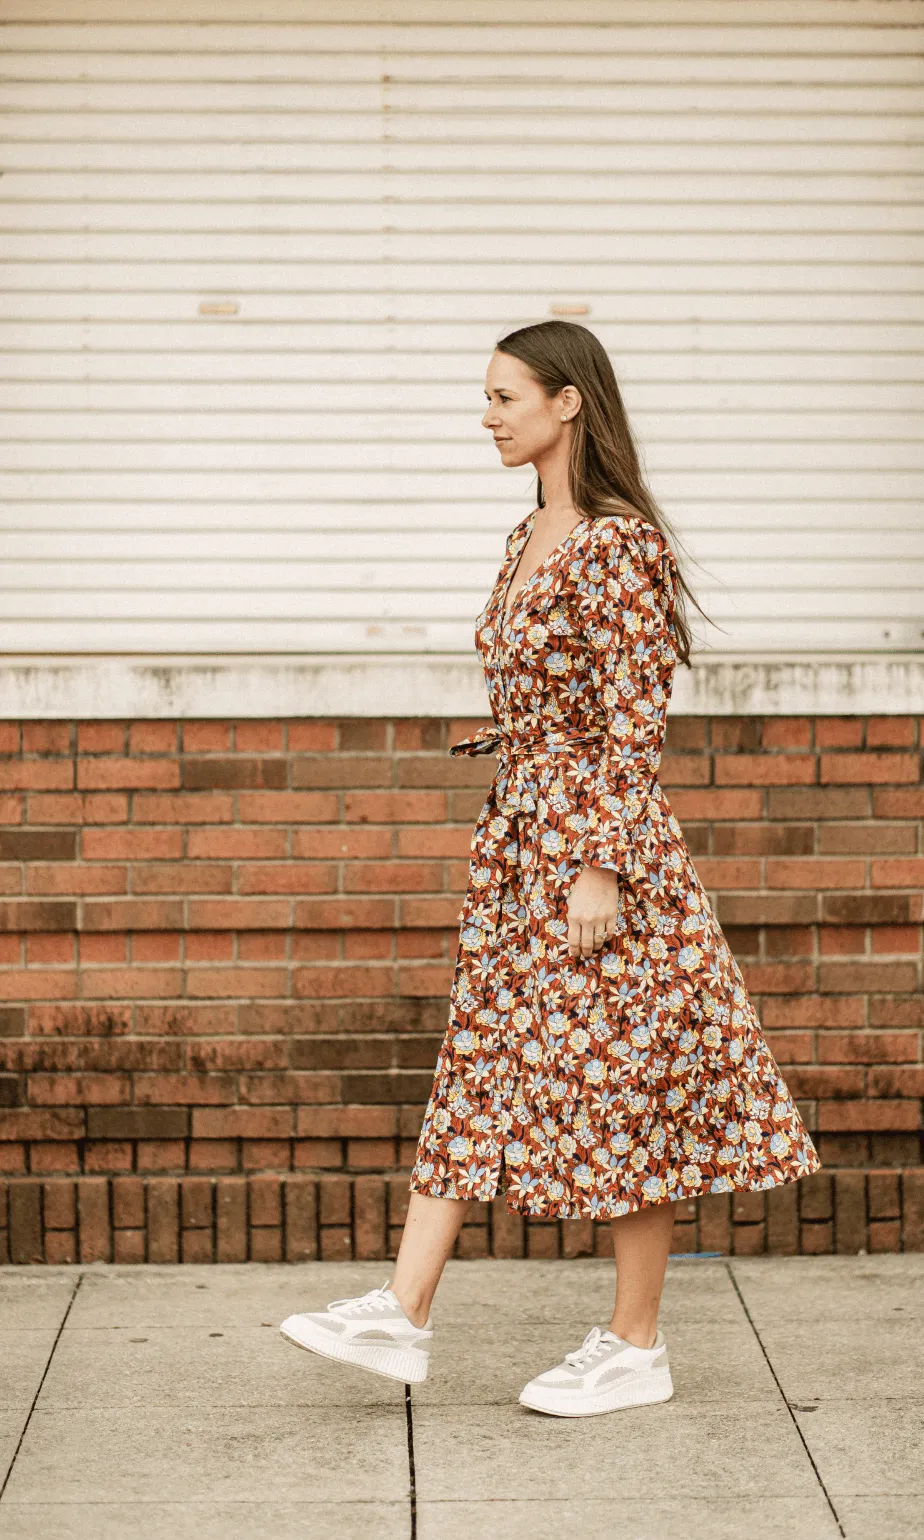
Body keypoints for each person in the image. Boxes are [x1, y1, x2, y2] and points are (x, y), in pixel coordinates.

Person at [281, 321, 820, 1417]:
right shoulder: (527, 532)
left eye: (501, 396)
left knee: (623, 1085)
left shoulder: (616, 546)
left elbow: (630, 724)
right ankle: (402, 1308)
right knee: (475, 1058)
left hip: (592, 850)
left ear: (565, 403)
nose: (484, 415)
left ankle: (633, 1343)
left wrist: (599, 867)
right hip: (521, 841)